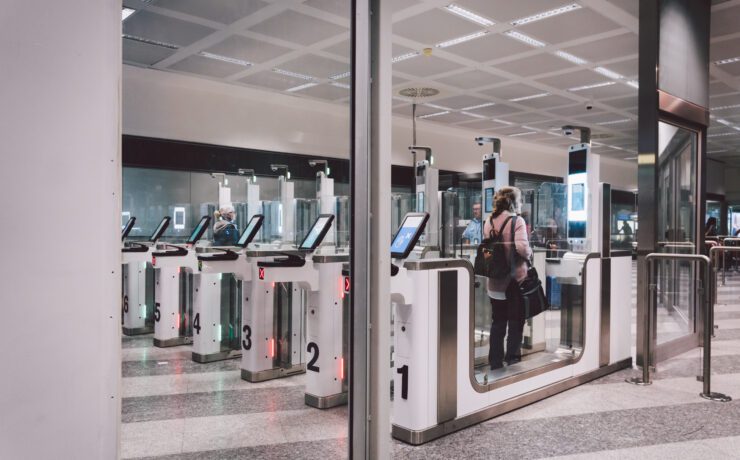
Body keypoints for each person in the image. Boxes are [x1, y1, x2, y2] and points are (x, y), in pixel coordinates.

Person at [483, 187, 532, 370]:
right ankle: (512, 358)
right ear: (513, 201)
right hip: (513, 280)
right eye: (519, 200)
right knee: (516, 320)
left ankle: (495, 362)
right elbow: (521, 247)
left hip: (494, 280)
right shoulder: (516, 220)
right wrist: (529, 252)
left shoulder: (489, 221)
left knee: (498, 322)